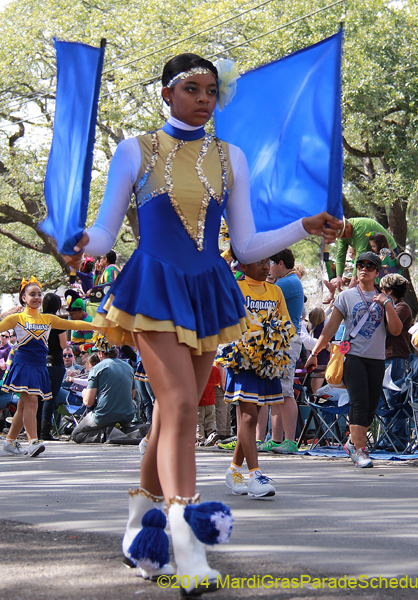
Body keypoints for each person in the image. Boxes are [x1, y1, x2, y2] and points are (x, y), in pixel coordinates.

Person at [65, 53, 341, 591]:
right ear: (166, 94)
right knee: (182, 406)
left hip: (209, 286)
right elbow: (102, 232)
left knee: (173, 416)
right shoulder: (135, 150)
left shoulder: (230, 155)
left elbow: (245, 245)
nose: (203, 98)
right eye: (191, 88)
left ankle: (138, 529)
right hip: (153, 285)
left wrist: (303, 226)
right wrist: (80, 245)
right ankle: (185, 541)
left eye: (211, 90)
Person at [0, 278, 100, 457]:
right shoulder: (17, 318)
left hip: (39, 366)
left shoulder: (48, 318)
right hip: (23, 364)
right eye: (32, 294)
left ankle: (10, 441)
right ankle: (33, 441)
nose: (37, 298)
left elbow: (74, 324)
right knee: (31, 401)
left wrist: (100, 325)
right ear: (23, 298)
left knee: (24, 405)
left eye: (39, 294)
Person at [305, 251, 403, 469]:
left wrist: (387, 304)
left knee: (370, 406)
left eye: (370, 266)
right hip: (354, 357)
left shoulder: (384, 298)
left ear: (377, 272)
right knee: (359, 402)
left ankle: (351, 443)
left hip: (377, 359)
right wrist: (314, 354)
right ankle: (361, 450)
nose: (364, 269)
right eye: (361, 265)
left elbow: (396, 331)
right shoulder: (346, 297)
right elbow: (330, 328)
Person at [223, 255, 292, 497]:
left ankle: (234, 471)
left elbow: (287, 324)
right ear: (243, 265)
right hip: (242, 359)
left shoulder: (275, 292)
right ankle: (254, 475)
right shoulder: (234, 287)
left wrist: (275, 336)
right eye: (259, 262)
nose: (265, 267)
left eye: (268, 262)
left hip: (267, 360)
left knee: (252, 416)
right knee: (250, 417)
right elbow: (226, 320)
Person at [263, 247, 302, 455]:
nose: (267, 268)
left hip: (287, 342)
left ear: (280, 263)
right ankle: (276, 439)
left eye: (270, 263)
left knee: (286, 391)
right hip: (280, 341)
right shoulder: (286, 281)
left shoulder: (287, 283)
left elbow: (263, 296)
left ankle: (290, 440)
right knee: (276, 392)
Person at [71, 346, 137, 443]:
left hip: (104, 415)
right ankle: (119, 432)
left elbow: (88, 402)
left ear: (101, 353)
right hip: (127, 414)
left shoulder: (97, 368)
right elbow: (132, 396)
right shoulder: (128, 367)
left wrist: (85, 393)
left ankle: (107, 434)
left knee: (76, 435)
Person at [378, 273, 414, 448]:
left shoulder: (401, 307)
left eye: (382, 290)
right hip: (383, 356)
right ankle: (387, 438)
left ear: (389, 291)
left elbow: (391, 328)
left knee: (394, 399)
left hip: (395, 357)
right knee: (384, 401)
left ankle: (398, 440)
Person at [333, 217, 396, 288]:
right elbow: (341, 255)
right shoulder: (343, 236)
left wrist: (354, 278)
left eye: (343, 235)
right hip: (372, 254)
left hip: (386, 252)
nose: (343, 238)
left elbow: (360, 255)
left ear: (347, 227)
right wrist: (339, 276)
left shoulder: (360, 228)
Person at [40, 292, 67, 441]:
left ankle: (34, 429)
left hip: (40, 361)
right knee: (49, 398)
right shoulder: (56, 321)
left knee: (37, 397)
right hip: (55, 362)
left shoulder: (37, 320)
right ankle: (45, 430)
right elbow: (63, 344)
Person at [197, 365, 220, 446]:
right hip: (211, 400)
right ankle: (211, 433)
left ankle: (200, 439)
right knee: (210, 419)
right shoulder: (213, 369)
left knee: (198, 421)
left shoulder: (195, 369)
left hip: (199, 401)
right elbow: (218, 380)